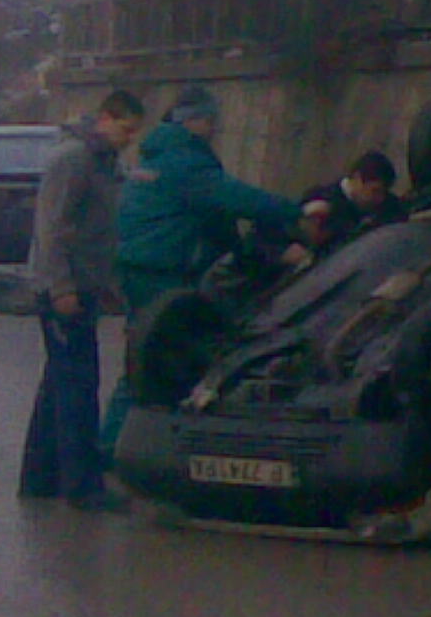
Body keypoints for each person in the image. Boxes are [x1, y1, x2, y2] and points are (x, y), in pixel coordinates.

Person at [99, 86, 304, 456]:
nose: (214, 128)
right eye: (210, 120)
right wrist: (298, 211)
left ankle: (136, 445)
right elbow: (236, 199)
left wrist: (248, 252)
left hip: (140, 268)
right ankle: (114, 448)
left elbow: (214, 219)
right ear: (193, 120)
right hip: (162, 273)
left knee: (151, 355)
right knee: (150, 358)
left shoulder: (158, 156)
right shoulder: (186, 161)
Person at [18, 88, 145, 511]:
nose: (129, 139)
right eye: (125, 129)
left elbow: (99, 229)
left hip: (84, 285)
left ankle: (39, 479)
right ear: (105, 118)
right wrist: (61, 288)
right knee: (77, 385)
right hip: (63, 290)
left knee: (59, 383)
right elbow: (52, 229)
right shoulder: (74, 159)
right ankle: (82, 486)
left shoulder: (103, 162)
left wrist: (106, 285)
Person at [300, 149, 407, 257]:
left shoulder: (389, 206)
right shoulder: (321, 201)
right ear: (357, 179)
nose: (380, 199)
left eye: (383, 193)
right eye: (375, 191)